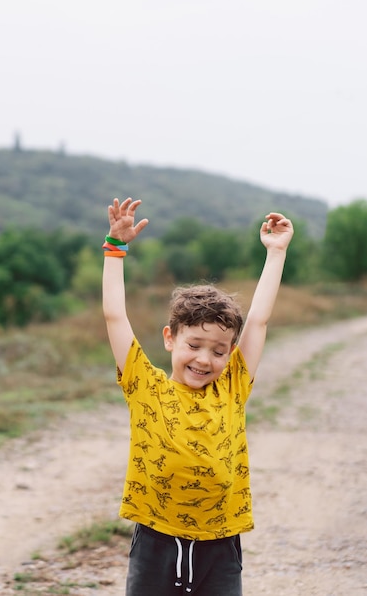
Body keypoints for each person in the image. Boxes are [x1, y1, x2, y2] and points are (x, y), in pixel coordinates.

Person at [102, 197, 294, 596]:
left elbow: (258, 319)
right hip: (155, 542)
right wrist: (115, 249)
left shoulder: (233, 385)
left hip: (221, 545)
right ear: (170, 338)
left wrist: (276, 253)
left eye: (219, 350)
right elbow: (115, 317)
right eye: (195, 345)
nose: (205, 359)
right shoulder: (144, 384)